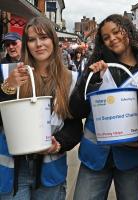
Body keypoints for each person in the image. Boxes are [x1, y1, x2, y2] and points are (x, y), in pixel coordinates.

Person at [69, 14, 138, 200]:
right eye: (106, 37)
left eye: (116, 32)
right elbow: (76, 109)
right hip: (95, 157)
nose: (112, 38)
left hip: (132, 156)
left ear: (129, 31)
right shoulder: (96, 66)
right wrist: (91, 82)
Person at [0, 17, 82, 199]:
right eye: (31, 39)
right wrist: (8, 88)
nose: (38, 44)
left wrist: (59, 143)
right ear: (26, 44)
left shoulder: (71, 79)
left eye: (43, 37)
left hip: (50, 171)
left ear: (53, 40)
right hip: (13, 171)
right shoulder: (9, 73)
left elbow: (75, 126)